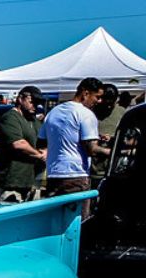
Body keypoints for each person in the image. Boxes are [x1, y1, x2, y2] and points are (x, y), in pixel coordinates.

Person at [39, 77, 111, 215]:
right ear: (85, 93)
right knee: (77, 221)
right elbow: (92, 149)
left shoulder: (53, 112)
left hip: (54, 175)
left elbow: (42, 141)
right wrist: (113, 152)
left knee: (56, 219)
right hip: (76, 176)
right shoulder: (86, 114)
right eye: (97, 97)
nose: (99, 101)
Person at [0, 85, 46, 202]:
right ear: (20, 99)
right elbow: (18, 144)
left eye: (38, 103)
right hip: (12, 182)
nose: (35, 105)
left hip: (32, 181)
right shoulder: (10, 118)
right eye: (32, 102)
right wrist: (40, 155)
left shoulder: (34, 121)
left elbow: (44, 140)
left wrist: (46, 150)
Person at [89, 82, 126, 187]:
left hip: (115, 168)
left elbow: (130, 138)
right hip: (94, 169)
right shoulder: (90, 112)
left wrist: (113, 138)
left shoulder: (122, 113)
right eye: (106, 102)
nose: (109, 106)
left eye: (112, 103)